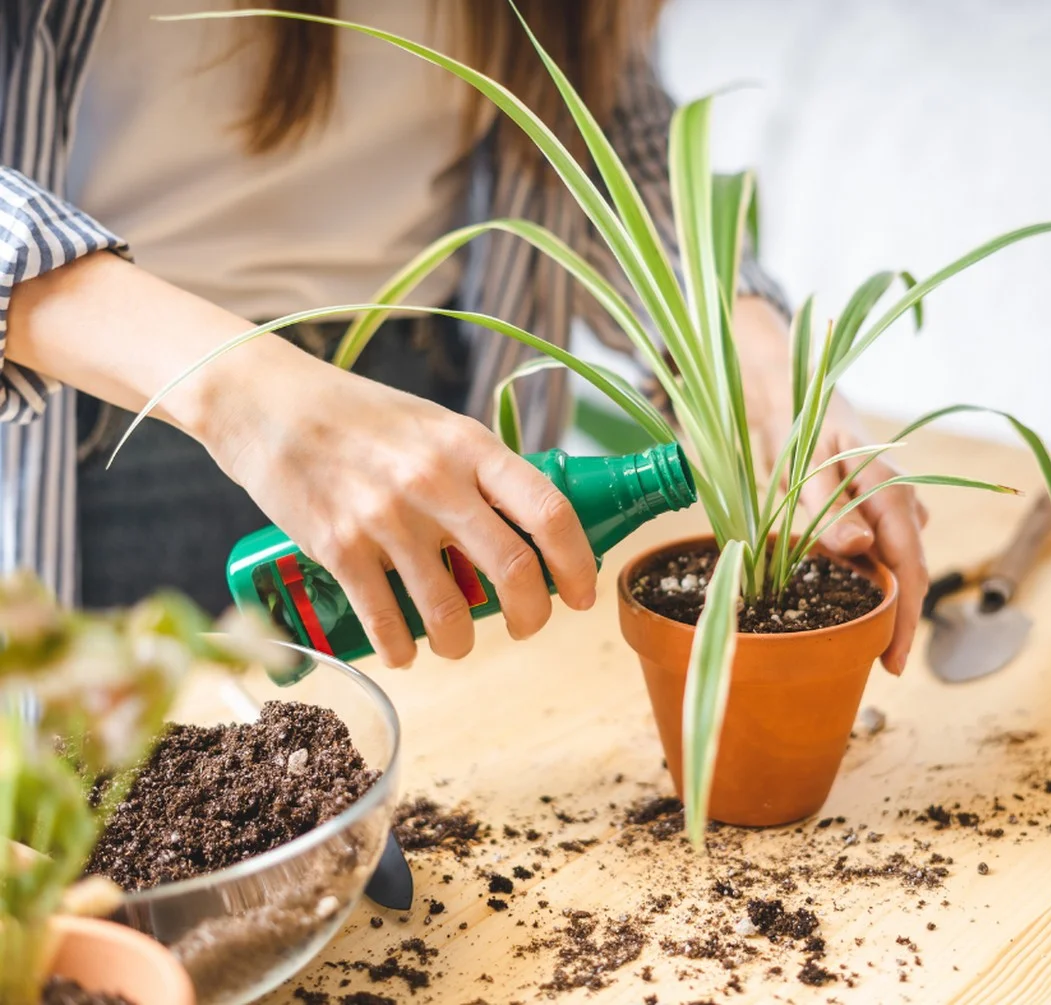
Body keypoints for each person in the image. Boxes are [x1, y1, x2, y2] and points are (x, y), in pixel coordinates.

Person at [0, 0, 928, 673]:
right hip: (98, 435)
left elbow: (597, 107)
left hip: (423, 423)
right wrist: (244, 390)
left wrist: (740, 341)